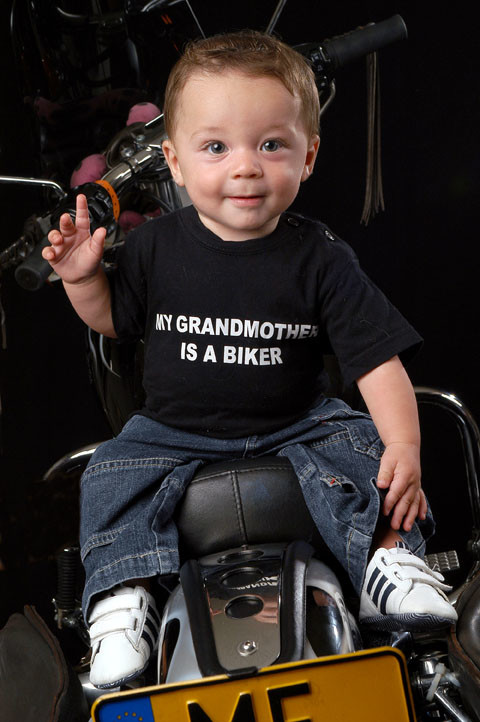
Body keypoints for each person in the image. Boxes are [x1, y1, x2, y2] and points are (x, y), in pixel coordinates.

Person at [42, 30, 457, 689]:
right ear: (175, 163)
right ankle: (123, 596)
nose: (245, 168)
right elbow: (115, 320)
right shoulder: (154, 249)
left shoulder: (321, 257)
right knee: (109, 476)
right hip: (173, 433)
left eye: (270, 145)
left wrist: (403, 445)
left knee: (364, 450)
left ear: (308, 155)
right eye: (216, 147)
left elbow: (377, 362)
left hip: (296, 425)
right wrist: (82, 280)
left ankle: (387, 562)